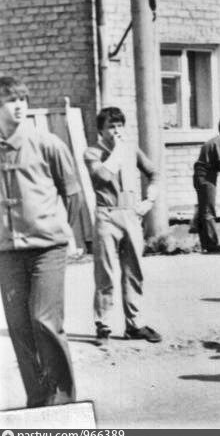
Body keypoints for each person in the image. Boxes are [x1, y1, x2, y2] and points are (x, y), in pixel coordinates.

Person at [0, 75, 81, 407]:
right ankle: (38, 402)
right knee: (19, 328)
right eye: (11, 100)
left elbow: (72, 194)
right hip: (7, 252)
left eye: (22, 99)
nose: (19, 105)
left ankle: (62, 402)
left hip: (47, 249)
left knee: (44, 321)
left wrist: (60, 232)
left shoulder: (48, 144)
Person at [83, 107, 162, 344]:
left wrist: (150, 200)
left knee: (133, 271)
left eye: (119, 125)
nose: (116, 131)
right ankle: (103, 325)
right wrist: (118, 150)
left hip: (130, 214)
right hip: (107, 215)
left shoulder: (131, 149)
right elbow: (103, 177)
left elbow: (154, 172)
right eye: (111, 126)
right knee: (105, 271)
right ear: (101, 130)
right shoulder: (92, 152)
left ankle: (134, 325)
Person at [193, 117, 220, 254]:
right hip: (206, 177)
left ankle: (205, 244)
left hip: (200, 176)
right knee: (209, 210)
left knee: (204, 210)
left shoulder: (214, 140)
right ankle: (212, 245)